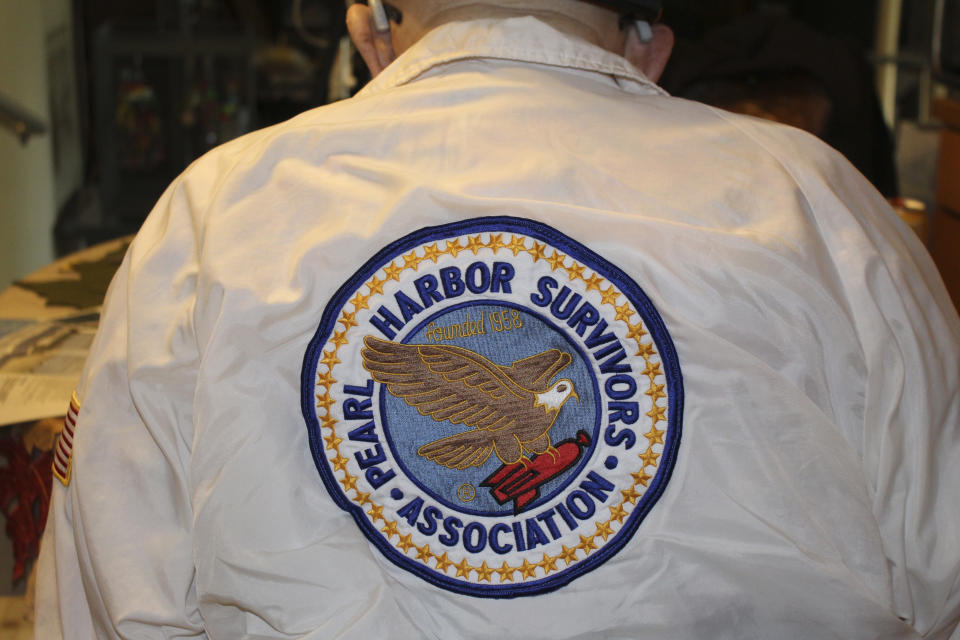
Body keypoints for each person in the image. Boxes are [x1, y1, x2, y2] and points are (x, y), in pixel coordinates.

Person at [37, 0, 960, 638]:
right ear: (649, 47)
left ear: (370, 31)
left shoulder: (216, 211)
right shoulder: (821, 206)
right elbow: (945, 576)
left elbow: (109, 599)